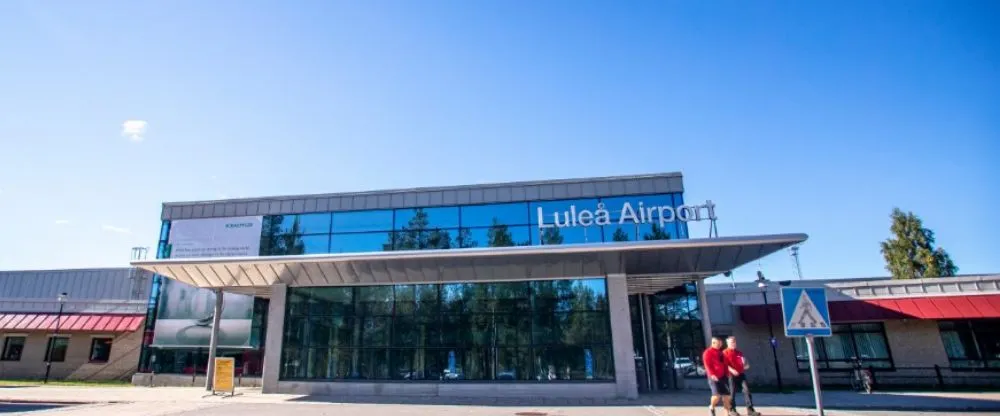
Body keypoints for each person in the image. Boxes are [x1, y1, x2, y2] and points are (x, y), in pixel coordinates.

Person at [724, 336, 760, 416]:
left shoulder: (739, 353)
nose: (733, 343)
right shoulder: (724, 353)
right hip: (730, 376)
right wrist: (732, 370)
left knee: (747, 390)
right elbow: (724, 365)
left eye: (734, 342)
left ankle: (750, 410)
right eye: (731, 342)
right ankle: (732, 410)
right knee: (732, 392)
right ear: (727, 343)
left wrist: (746, 365)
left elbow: (745, 365)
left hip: (741, 375)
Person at [703, 337, 737, 416]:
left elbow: (724, 364)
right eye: (718, 344)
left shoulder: (721, 353)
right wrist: (712, 374)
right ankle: (711, 407)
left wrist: (727, 373)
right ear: (713, 343)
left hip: (723, 376)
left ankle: (726, 413)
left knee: (727, 396)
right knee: (716, 396)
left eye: (721, 344)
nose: (720, 345)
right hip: (713, 377)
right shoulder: (707, 352)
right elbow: (707, 365)